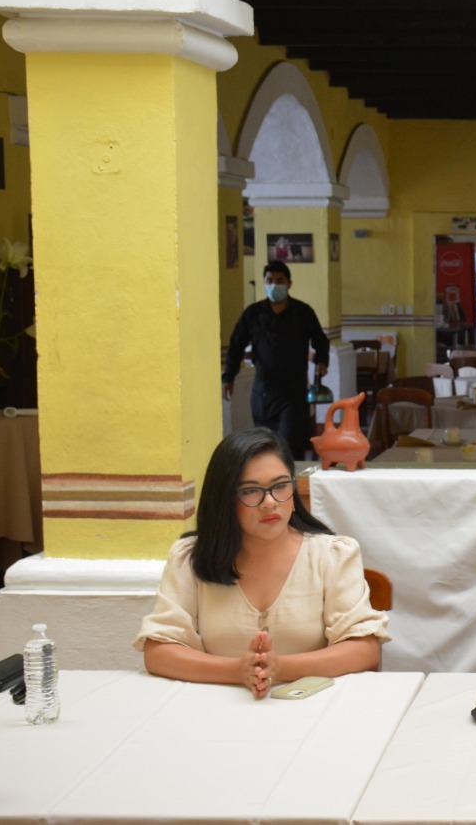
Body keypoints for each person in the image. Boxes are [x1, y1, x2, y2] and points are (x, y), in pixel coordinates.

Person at [133, 428, 388, 698]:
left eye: (280, 486)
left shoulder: (332, 555)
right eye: (251, 491)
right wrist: (236, 671)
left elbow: (364, 649)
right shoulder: (191, 557)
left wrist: (280, 668)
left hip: (312, 707)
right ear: (224, 499)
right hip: (216, 707)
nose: (269, 502)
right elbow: (159, 652)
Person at [222, 260, 330, 461]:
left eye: (279, 281)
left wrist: (322, 362)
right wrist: (228, 377)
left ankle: (293, 480)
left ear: (289, 283)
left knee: (289, 445)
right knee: (265, 446)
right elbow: (236, 345)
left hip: (293, 393)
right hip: (263, 393)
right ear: (264, 283)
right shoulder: (253, 314)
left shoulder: (303, 312)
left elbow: (320, 340)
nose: (274, 285)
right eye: (269, 280)